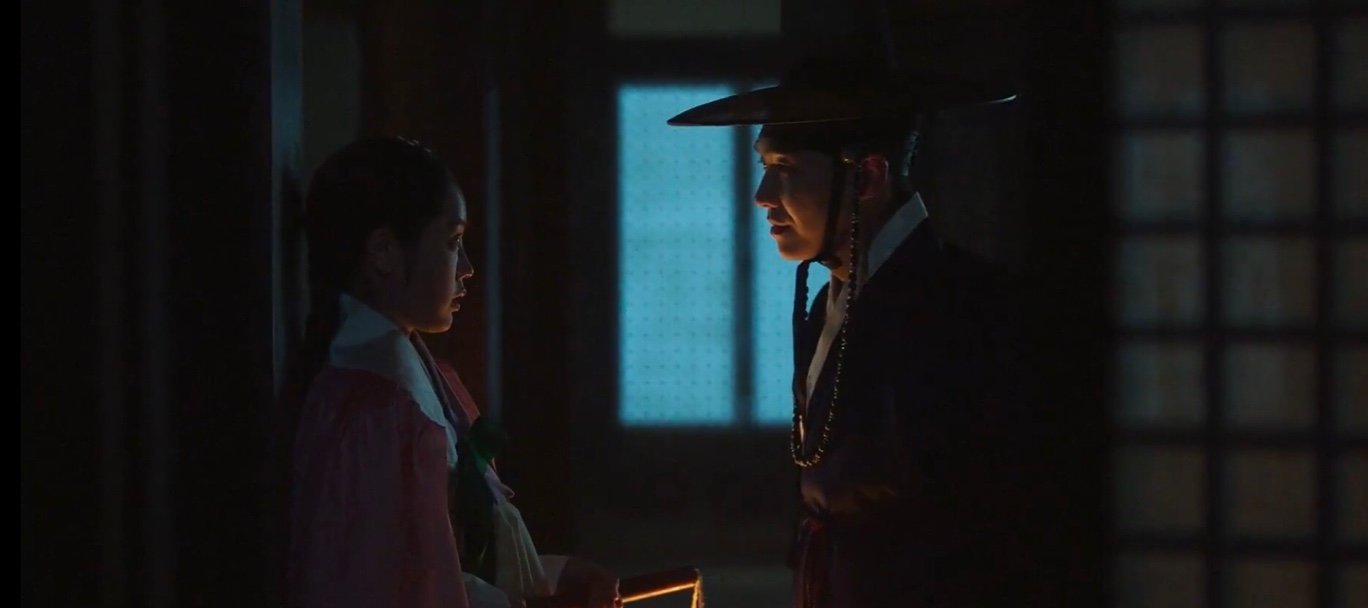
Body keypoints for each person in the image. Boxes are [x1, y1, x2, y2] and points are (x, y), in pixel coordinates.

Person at [667, 3, 1061, 607]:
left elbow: (1001, 528)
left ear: (869, 178)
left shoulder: (967, 312)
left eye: (785, 169)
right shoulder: (831, 303)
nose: (762, 195)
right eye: (765, 166)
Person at [286, 137, 622, 608]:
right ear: (383, 253)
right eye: (451, 243)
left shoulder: (420, 379)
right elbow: (387, 585)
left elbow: (450, 563)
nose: (466, 268)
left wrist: (557, 576)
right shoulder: (370, 410)